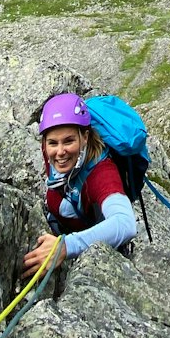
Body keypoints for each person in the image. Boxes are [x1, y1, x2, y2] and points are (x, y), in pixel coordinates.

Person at [22, 92, 137, 277]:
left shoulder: (102, 173)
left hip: (86, 243)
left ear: (85, 137)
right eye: (52, 143)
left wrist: (66, 246)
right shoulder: (51, 151)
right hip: (61, 220)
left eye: (69, 141)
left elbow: (126, 223)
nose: (60, 152)